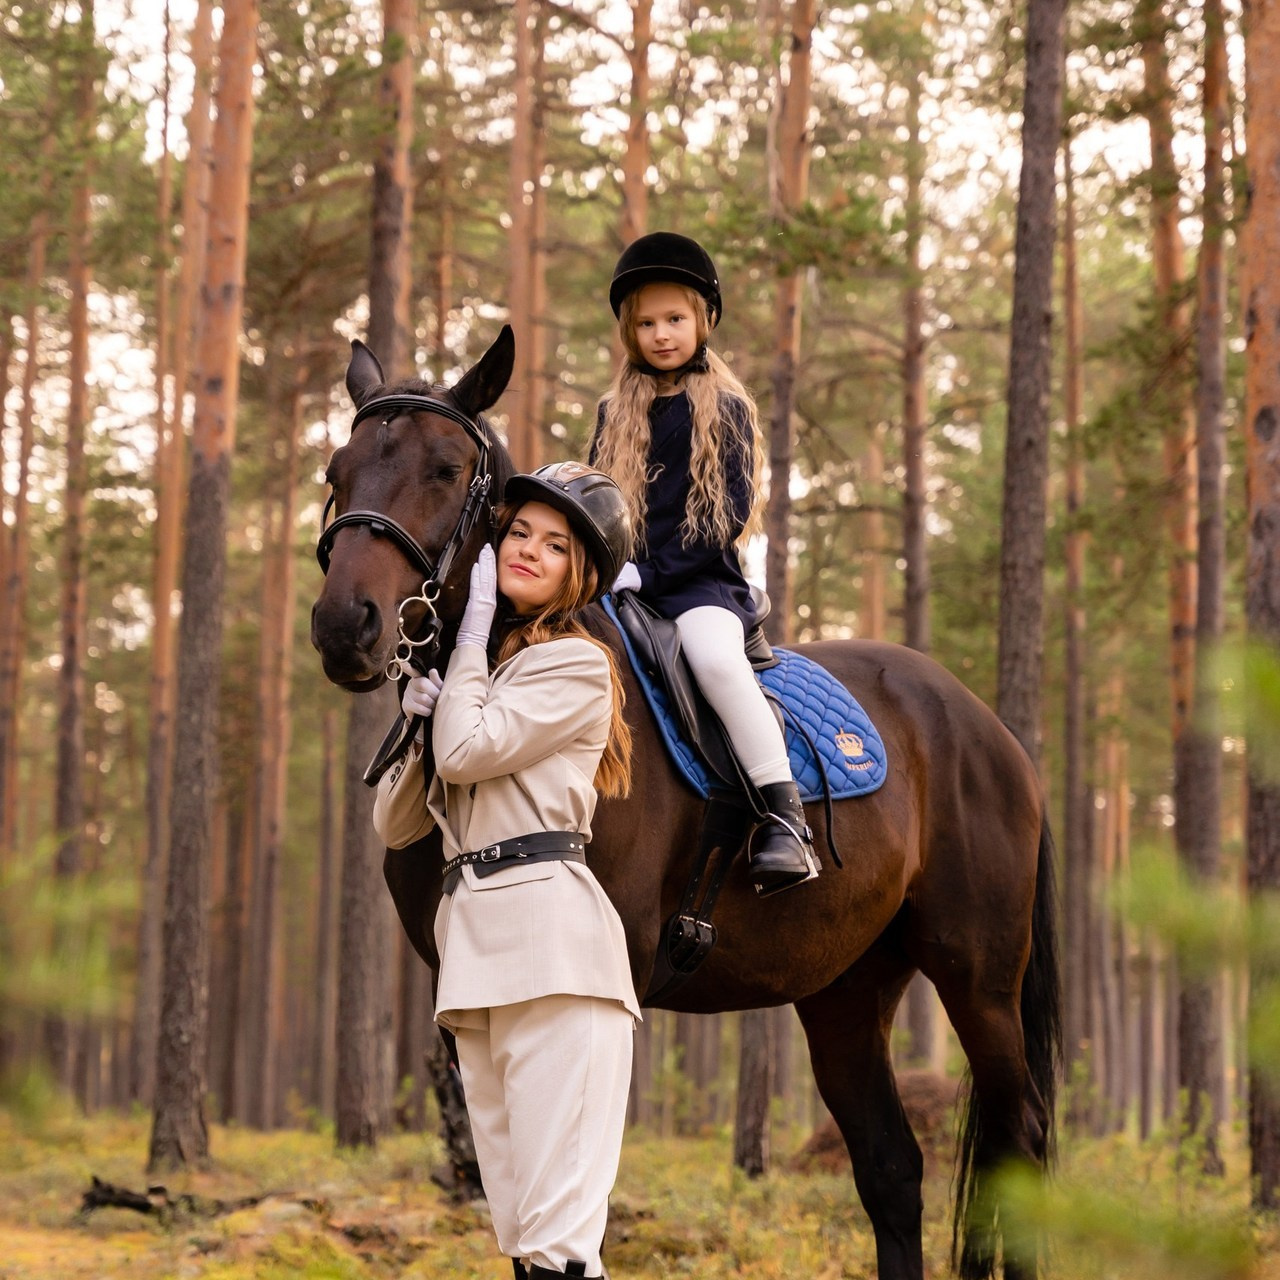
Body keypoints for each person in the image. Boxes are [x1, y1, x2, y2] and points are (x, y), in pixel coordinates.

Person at [373, 462, 639, 1280]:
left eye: (554, 545)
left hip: (557, 956)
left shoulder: (579, 665)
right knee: (524, 1234)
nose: (528, 549)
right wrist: (421, 720)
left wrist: (464, 658)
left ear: (579, 574)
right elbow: (396, 821)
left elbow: (468, 749)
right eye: (518, 531)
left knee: (561, 1245)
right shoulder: (487, 673)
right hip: (479, 960)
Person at [589, 230, 819, 897]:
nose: (662, 334)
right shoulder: (613, 414)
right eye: (647, 322)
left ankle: (783, 814)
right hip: (620, 586)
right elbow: (598, 502)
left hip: (699, 587)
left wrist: (648, 574)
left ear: (703, 320)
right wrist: (603, 563)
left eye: (675, 319)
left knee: (713, 659)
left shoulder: (727, 410)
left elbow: (724, 518)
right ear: (631, 331)